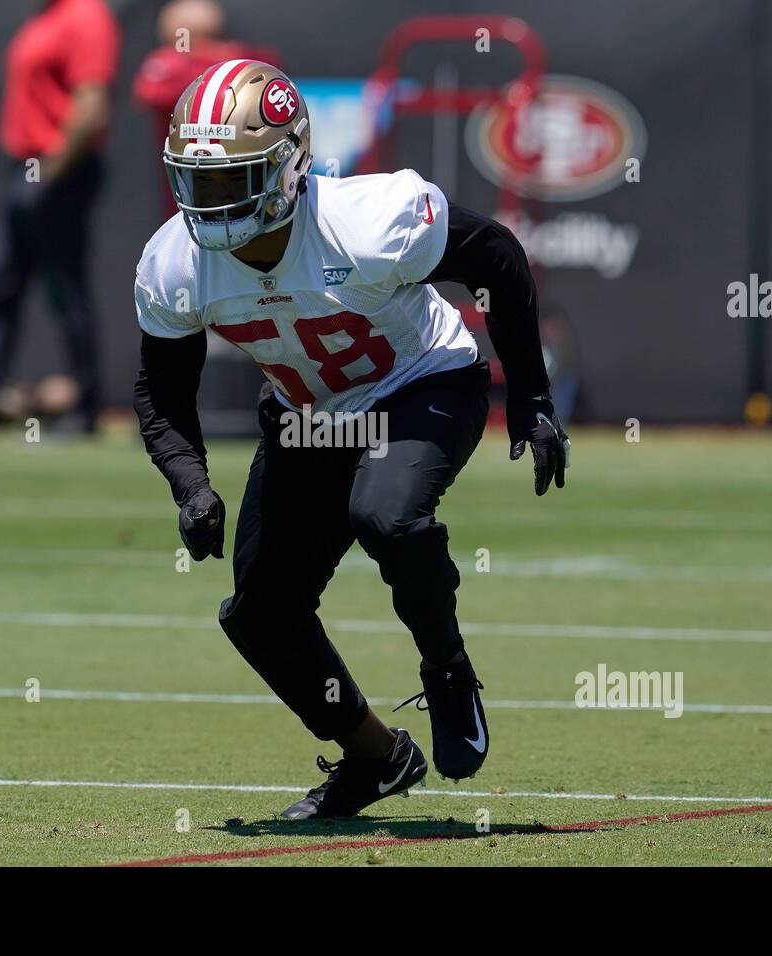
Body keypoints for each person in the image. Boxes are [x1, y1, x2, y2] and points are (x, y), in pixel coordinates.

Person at [132, 62, 570, 819]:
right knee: (259, 614)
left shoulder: (368, 219)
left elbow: (495, 254)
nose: (213, 203)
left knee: (387, 517)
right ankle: (374, 757)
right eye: (198, 182)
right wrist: (190, 481)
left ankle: (446, 668)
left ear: (290, 164)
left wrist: (530, 396)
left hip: (423, 381)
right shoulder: (175, 262)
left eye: (235, 178)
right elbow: (161, 389)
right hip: (309, 414)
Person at [0, 0, 119, 434]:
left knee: (66, 291)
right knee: (0, 284)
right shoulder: (44, 16)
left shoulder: (86, 16)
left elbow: (91, 107)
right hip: (24, 167)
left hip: (59, 170)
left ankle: (84, 409)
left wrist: (50, 174)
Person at [132, 0, 280, 216]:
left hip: (241, 189)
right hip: (201, 195)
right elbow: (148, 91)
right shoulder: (245, 61)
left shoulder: (174, 62)